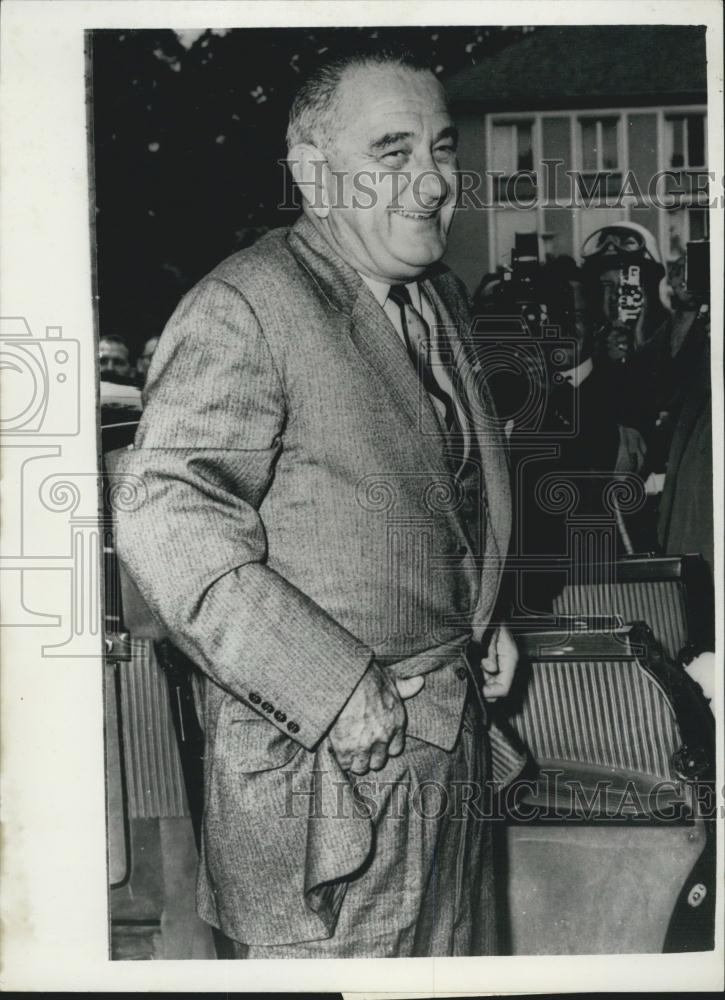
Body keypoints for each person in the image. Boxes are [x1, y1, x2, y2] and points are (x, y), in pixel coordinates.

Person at [115, 48, 517, 958]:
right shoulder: (243, 306)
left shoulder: (435, 296)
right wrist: (328, 688)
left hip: (443, 758)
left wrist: (478, 614)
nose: (429, 183)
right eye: (390, 153)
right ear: (310, 170)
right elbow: (163, 516)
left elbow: (427, 490)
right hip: (327, 788)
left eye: (441, 150)